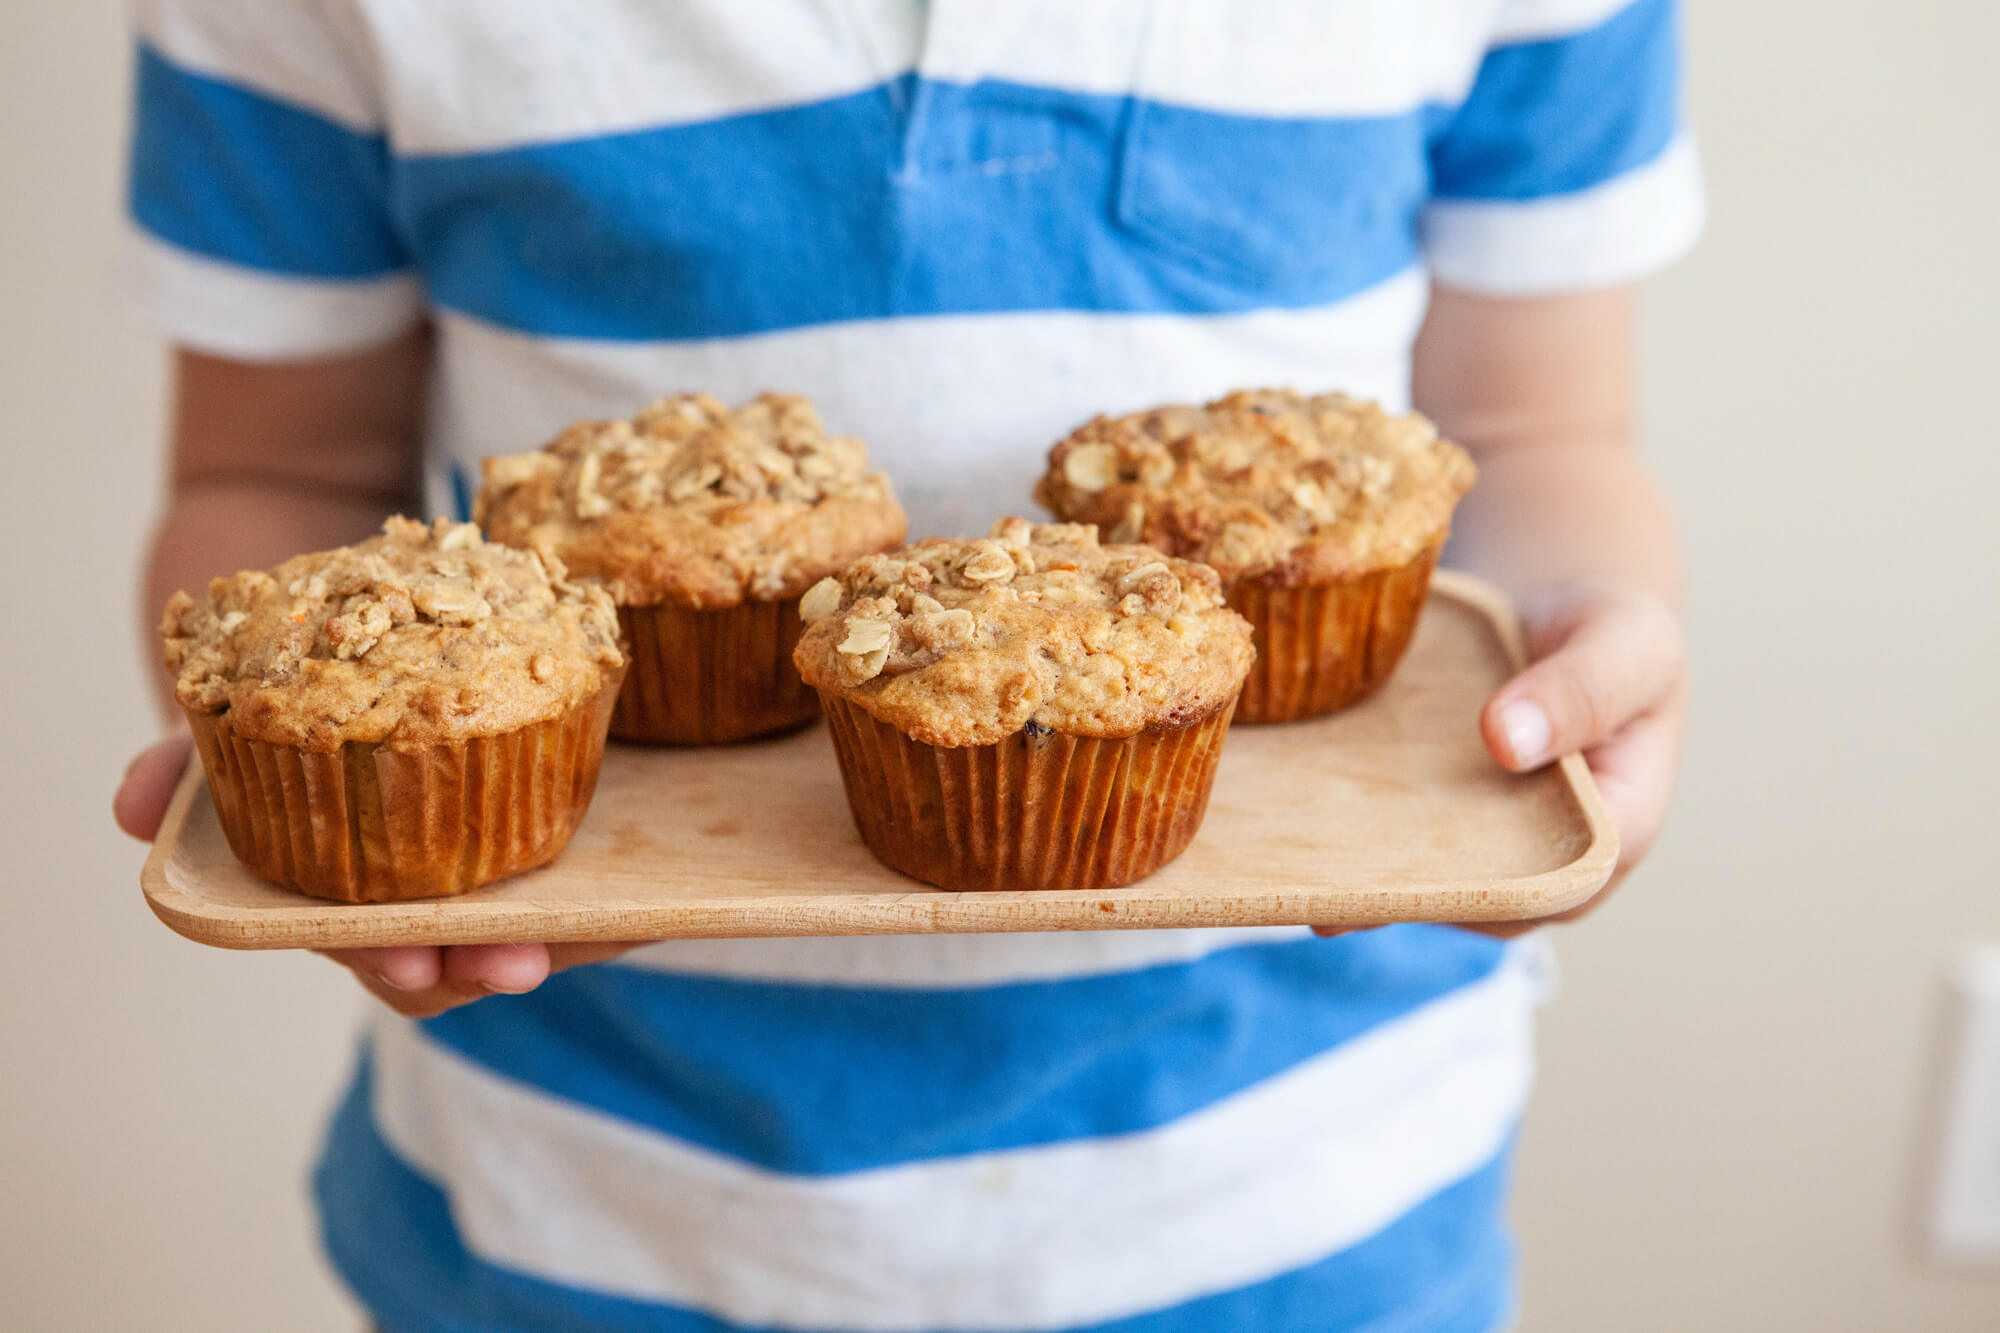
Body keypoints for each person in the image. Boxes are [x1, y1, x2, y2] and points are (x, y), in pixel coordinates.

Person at [113, 2, 1696, 1328]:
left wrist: (1584, 651)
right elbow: (278, 481)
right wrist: (329, 789)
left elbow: (1534, 433)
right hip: (578, 1205)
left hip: (1317, 1192)